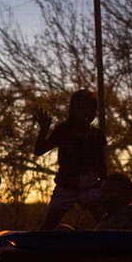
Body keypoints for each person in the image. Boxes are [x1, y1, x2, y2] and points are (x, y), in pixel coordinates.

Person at [31, 89, 107, 230]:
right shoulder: (65, 130)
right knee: (48, 225)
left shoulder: (97, 135)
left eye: (91, 110)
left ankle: (107, 247)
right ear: (74, 110)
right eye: (84, 109)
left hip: (90, 185)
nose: (88, 114)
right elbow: (39, 151)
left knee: (104, 221)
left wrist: (103, 185)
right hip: (66, 185)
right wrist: (43, 130)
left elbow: (102, 165)